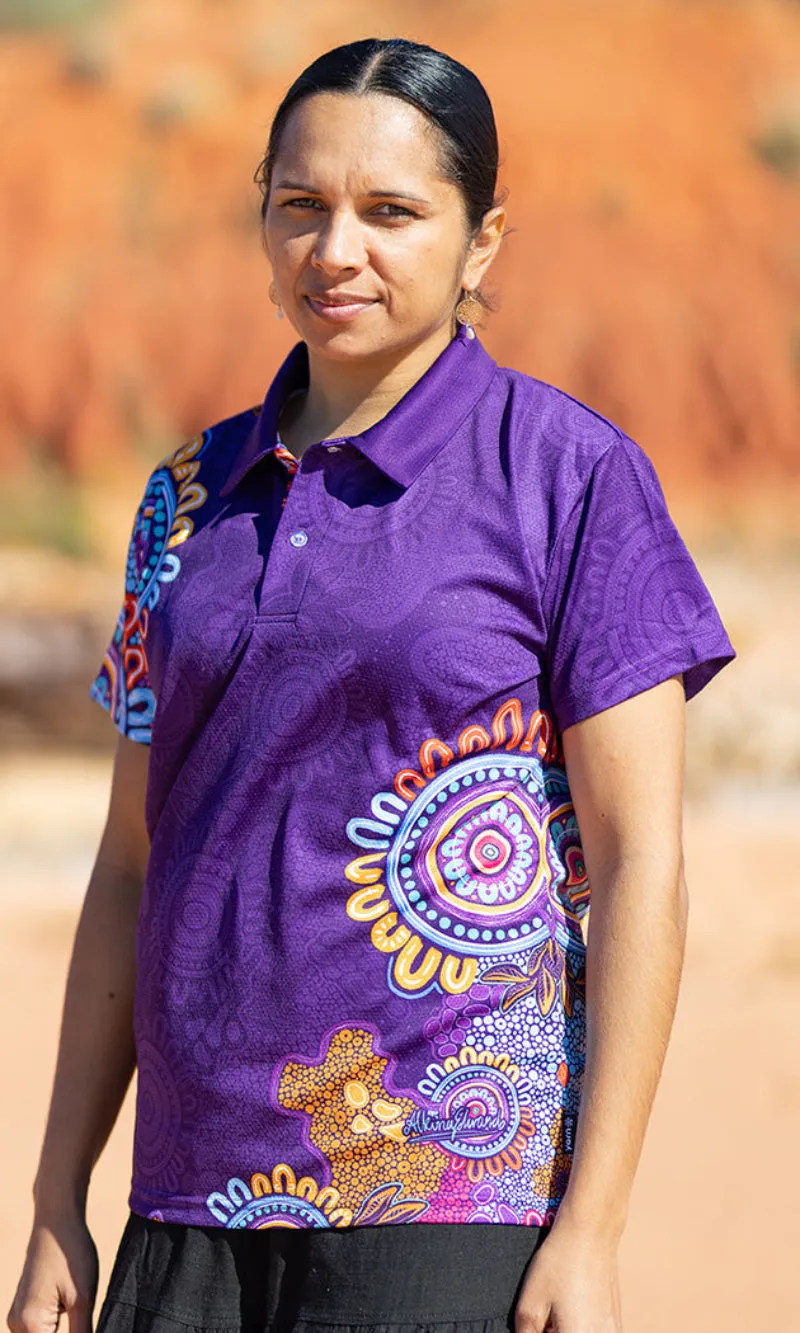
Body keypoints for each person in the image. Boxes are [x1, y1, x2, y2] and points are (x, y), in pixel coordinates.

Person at [8, 36, 735, 1333]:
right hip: (185, 1206)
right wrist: (59, 1194)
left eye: (392, 212)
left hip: (451, 1204)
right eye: (302, 207)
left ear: (483, 241)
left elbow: (641, 865)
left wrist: (597, 1224)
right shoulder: (182, 497)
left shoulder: (569, 479)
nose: (337, 250)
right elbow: (130, 861)